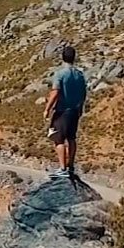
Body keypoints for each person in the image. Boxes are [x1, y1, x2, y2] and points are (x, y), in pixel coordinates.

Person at [43, 45, 87, 179]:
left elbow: (55, 92)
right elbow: (83, 93)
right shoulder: (79, 75)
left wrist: (47, 109)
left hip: (62, 111)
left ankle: (63, 168)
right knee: (71, 138)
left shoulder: (60, 74)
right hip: (74, 111)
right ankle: (71, 166)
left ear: (62, 57)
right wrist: (80, 108)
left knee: (58, 139)